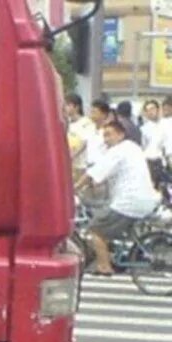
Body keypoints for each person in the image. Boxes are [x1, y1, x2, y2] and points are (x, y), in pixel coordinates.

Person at [76, 119, 160, 276]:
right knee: (107, 220)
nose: (106, 139)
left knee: (96, 228)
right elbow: (105, 176)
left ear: (121, 134)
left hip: (129, 202)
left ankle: (104, 267)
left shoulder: (118, 151)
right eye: (104, 136)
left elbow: (93, 173)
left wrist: (74, 188)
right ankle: (115, 255)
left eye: (109, 135)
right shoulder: (133, 147)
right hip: (145, 199)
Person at [66, 94, 96, 178]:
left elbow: (85, 143)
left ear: (77, 107)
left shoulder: (86, 123)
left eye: (68, 105)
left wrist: (72, 156)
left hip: (81, 165)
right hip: (69, 165)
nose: (65, 108)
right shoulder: (66, 123)